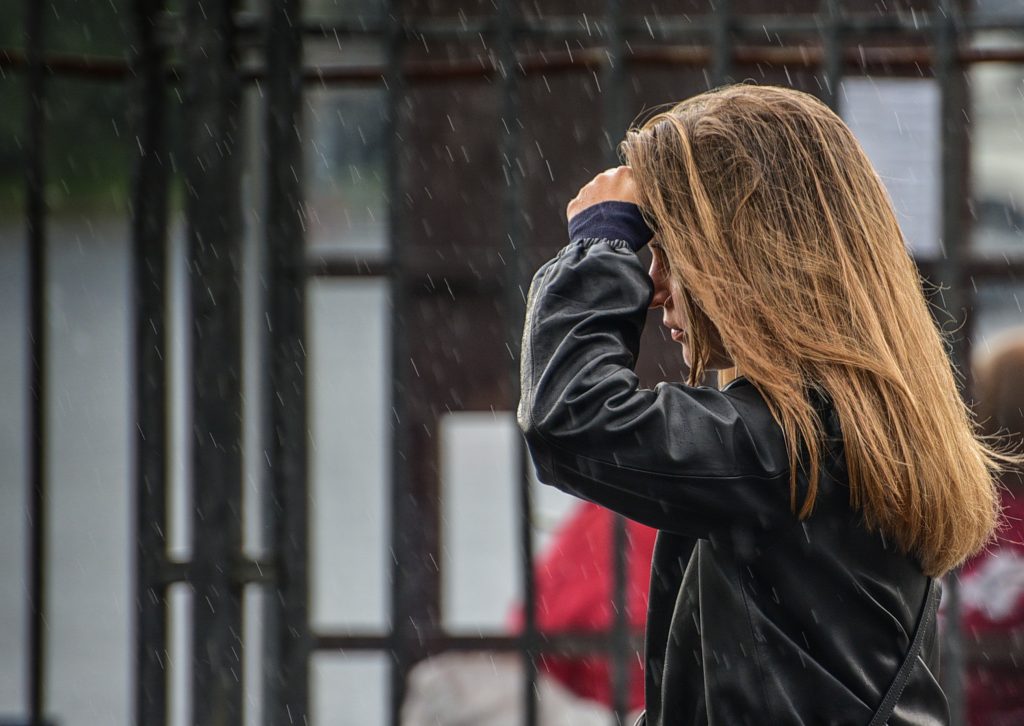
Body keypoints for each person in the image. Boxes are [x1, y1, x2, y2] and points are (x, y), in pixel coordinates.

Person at [517, 84, 1024, 725]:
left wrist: (601, 244)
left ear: (740, 256)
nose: (655, 286)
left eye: (671, 249)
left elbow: (571, 421)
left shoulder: (794, 442)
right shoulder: (837, 428)